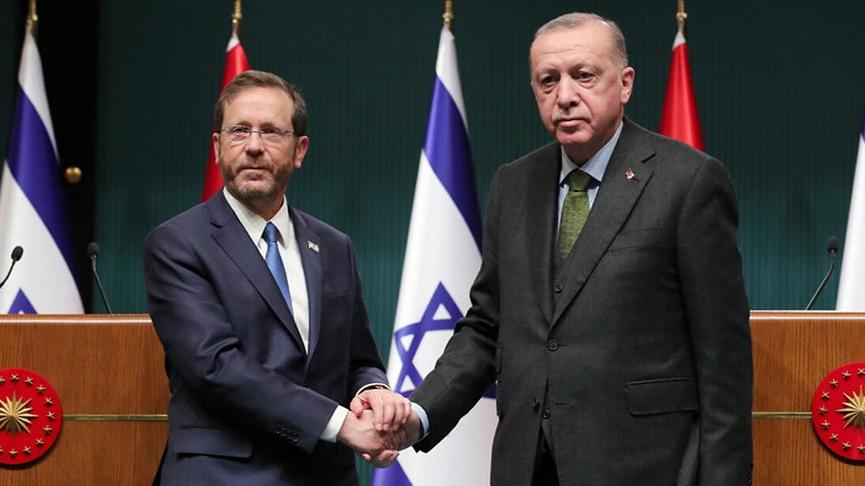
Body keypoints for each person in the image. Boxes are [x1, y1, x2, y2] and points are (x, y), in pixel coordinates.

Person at [377, 12, 753, 486]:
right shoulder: (514, 184)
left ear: (625, 83)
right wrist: (419, 414)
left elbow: (723, 359)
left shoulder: (688, 181)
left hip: (644, 467)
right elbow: (488, 327)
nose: (566, 95)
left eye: (584, 75)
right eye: (548, 80)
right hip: (526, 466)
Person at [144, 70, 409, 486]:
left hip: (325, 475)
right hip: (223, 476)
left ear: (299, 150)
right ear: (217, 147)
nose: (253, 146)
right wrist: (341, 424)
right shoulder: (178, 243)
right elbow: (215, 366)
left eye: (271, 132)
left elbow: (358, 359)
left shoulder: (334, 245)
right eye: (239, 131)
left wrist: (370, 393)